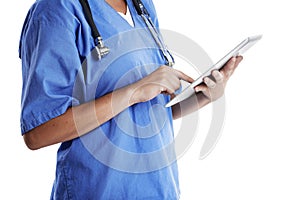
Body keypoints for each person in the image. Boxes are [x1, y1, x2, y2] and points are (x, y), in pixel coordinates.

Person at [19, 0, 243, 199]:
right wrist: (133, 92)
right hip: (97, 190)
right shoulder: (56, 10)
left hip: (160, 189)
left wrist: (205, 96)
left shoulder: (142, 7)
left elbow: (152, 110)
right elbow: (39, 133)